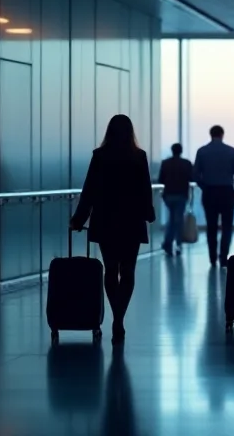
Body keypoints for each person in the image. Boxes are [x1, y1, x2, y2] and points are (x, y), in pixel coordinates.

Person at [69, 114, 155, 344]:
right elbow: (145, 189)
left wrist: (79, 218)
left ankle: (116, 315)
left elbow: (89, 190)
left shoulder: (100, 156)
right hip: (131, 220)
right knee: (128, 271)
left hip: (106, 219)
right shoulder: (139, 156)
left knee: (110, 268)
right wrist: (148, 212)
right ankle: (119, 318)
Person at [194, 125, 234, 267]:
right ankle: (223, 258)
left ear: (210, 134)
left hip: (209, 192)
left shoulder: (202, 152)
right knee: (227, 227)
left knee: (211, 226)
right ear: (222, 135)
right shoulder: (232, 152)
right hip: (227, 192)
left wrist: (204, 186)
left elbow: (195, 174)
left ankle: (212, 257)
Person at [158, 143, 193, 255]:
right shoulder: (186, 163)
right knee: (178, 220)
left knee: (172, 218)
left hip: (168, 194)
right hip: (181, 194)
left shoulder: (165, 163)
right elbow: (192, 177)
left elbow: (161, 179)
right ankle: (178, 243)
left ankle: (168, 242)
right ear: (181, 151)